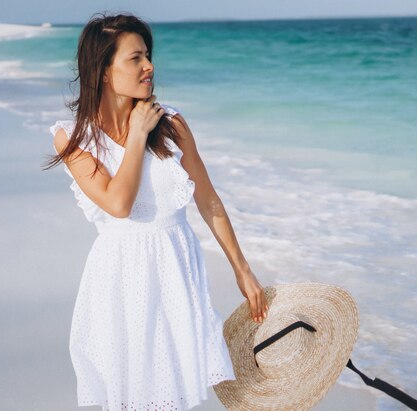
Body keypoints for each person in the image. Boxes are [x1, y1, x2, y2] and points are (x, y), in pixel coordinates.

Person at [43, 12, 268, 410]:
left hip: (177, 272)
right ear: (105, 71)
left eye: (148, 55)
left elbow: (208, 199)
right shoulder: (73, 137)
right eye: (135, 58)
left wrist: (242, 269)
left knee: (173, 395)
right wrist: (135, 137)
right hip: (122, 281)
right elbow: (118, 204)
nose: (150, 66)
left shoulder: (172, 123)